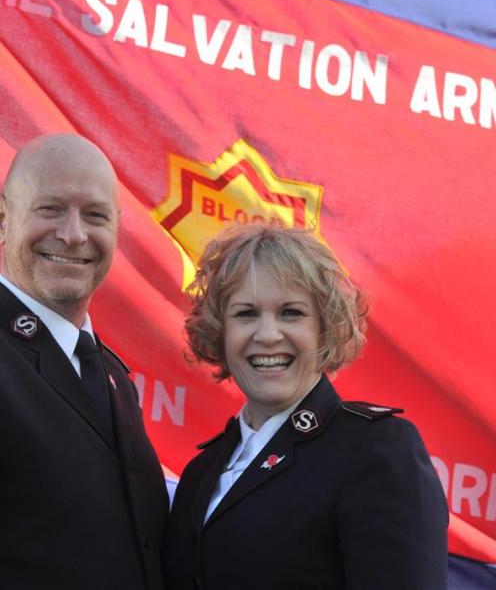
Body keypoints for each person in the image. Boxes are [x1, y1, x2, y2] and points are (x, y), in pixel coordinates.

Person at [164, 222, 448, 590]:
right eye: (246, 314)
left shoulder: (374, 449)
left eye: (291, 313)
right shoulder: (200, 473)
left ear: (324, 329)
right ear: (220, 332)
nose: (267, 335)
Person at [0, 134, 168, 590]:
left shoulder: (112, 377)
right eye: (50, 209)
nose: (73, 234)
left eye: (95, 215)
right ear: (2, 219)